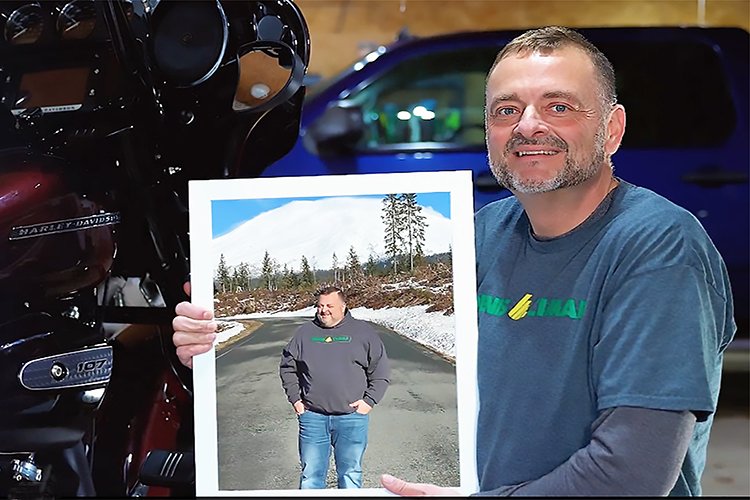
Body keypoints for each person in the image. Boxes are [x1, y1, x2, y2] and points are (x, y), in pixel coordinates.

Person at [172, 26, 736, 496]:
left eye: (559, 107)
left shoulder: (658, 248)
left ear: (611, 130)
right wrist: (211, 347)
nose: (527, 125)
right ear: (490, 136)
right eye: (505, 110)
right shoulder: (486, 233)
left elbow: (630, 476)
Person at [279, 285, 390, 489]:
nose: (324, 310)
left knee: (350, 475)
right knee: (311, 476)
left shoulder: (363, 332)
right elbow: (287, 367)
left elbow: (381, 372)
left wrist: (368, 402)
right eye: (320, 306)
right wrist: (296, 400)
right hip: (313, 417)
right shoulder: (305, 333)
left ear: (344, 306)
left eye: (330, 305)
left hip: (352, 417)